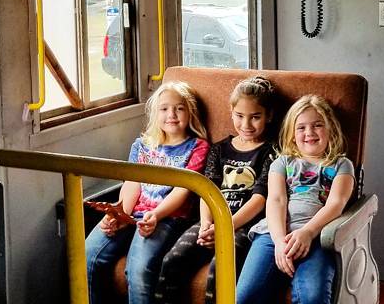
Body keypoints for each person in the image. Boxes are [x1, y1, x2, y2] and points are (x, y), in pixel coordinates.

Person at [157, 76, 278, 304]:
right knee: (172, 261)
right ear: (231, 112)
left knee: (219, 269)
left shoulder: (271, 152)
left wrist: (224, 227)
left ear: (269, 116)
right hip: (211, 220)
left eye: (255, 117)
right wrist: (205, 224)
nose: (246, 125)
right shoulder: (219, 149)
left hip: (245, 225)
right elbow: (207, 188)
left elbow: (260, 199)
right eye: (240, 116)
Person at [86, 81, 210, 304]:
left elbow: (183, 190)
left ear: (190, 111)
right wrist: (118, 214)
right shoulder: (142, 145)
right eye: (164, 109)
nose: (171, 114)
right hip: (132, 213)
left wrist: (156, 215)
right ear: (155, 113)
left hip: (167, 217)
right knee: (88, 255)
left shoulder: (198, 147)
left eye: (179, 108)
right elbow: (132, 183)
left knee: (139, 269)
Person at [236, 95, 354, 304]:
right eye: (301, 128)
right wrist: (280, 242)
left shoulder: (341, 164)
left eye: (318, 125)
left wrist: (308, 232)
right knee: (244, 297)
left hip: (318, 238)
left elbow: (336, 203)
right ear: (292, 135)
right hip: (273, 236)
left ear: (331, 130)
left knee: (313, 296)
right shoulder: (282, 163)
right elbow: (276, 201)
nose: (309, 132)